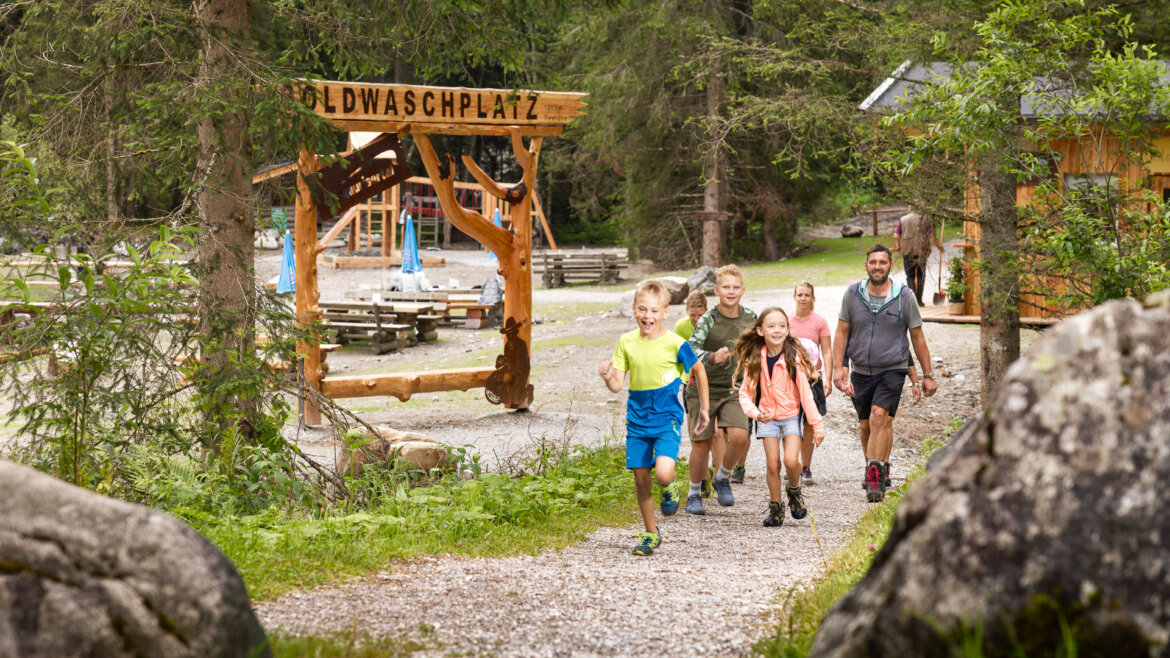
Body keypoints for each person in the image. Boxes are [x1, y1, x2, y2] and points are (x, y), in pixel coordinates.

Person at [600, 279, 710, 556]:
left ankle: (670, 486)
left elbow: (700, 370)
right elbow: (617, 385)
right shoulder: (626, 342)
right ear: (634, 309)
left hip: (666, 418)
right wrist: (606, 377)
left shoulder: (676, 343)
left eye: (654, 311)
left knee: (662, 472)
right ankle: (651, 533)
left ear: (665, 312)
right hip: (637, 420)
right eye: (642, 309)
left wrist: (704, 409)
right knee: (640, 479)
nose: (647, 316)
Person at [832, 244, 938, 503]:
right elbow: (842, 332)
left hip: (893, 368)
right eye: (873, 262)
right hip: (861, 370)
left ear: (891, 266)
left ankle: (874, 476)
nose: (877, 266)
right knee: (866, 423)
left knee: (879, 417)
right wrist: (838, 367)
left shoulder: (904, 296)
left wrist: (927, 374)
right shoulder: (852, 294)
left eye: (882, 262)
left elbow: (917, 337)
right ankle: (874, 465)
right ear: (866, 265)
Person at [735, 307, 824, 526]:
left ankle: (794, 492)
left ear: (787, 329)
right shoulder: (755, 359)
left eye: (782, 326)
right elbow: (745, 393)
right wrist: (756, 414)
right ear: (760, 331)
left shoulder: (794, 357)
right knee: (773, 465)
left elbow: (806, 395)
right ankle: (776, 508)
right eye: (771, 326)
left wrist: (817, 425)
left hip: (791, 416)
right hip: (767, 418)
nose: (777, 330)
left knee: (791, 460)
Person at [684, 264, 756, 515]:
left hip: (733, 389)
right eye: (726, 287)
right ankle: (694, 493)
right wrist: (711, 357)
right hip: (702, 390)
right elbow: (689, 350)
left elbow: (762, 346)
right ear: (716, 290)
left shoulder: (750, 317)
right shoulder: (708, 319)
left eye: (736, 287)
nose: (731, 291)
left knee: (740, 436)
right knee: (702, 443)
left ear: (743, 290)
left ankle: (723, 477)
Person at [788, 281, 832, 485]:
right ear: (794, 296)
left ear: (813, 298)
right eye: (800, 294)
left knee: (807, 424)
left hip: (813, 378)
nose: (803, 298)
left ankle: (805, 467)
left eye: (807, 295)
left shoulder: (820, 321)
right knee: (789, 422)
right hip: (788, 378)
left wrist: (828, 378)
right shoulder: (786, 321)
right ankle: (791, 464)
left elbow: (827, 351)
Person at [675, 290, 716, 498]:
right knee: (695, 435)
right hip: (688, 383)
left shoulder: (713, 324)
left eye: (700, 314)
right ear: (686, 311)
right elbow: (679, 358)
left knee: (714, 433)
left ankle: (717, 473)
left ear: (706, 311)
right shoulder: (681, 327)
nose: (696, 319)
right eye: (692, 315)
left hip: (711, 383)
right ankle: (703, 477)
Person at [892, 212, 943, 306]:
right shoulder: (925, 219)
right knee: (921, 276)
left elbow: (896, 236)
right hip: (921, 251)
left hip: (907, 251)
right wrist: (939, 247)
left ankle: (913, 301)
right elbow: (932, 237)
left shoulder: (903, 219)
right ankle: (919, 300)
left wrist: (898, 246)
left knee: (910, 276)